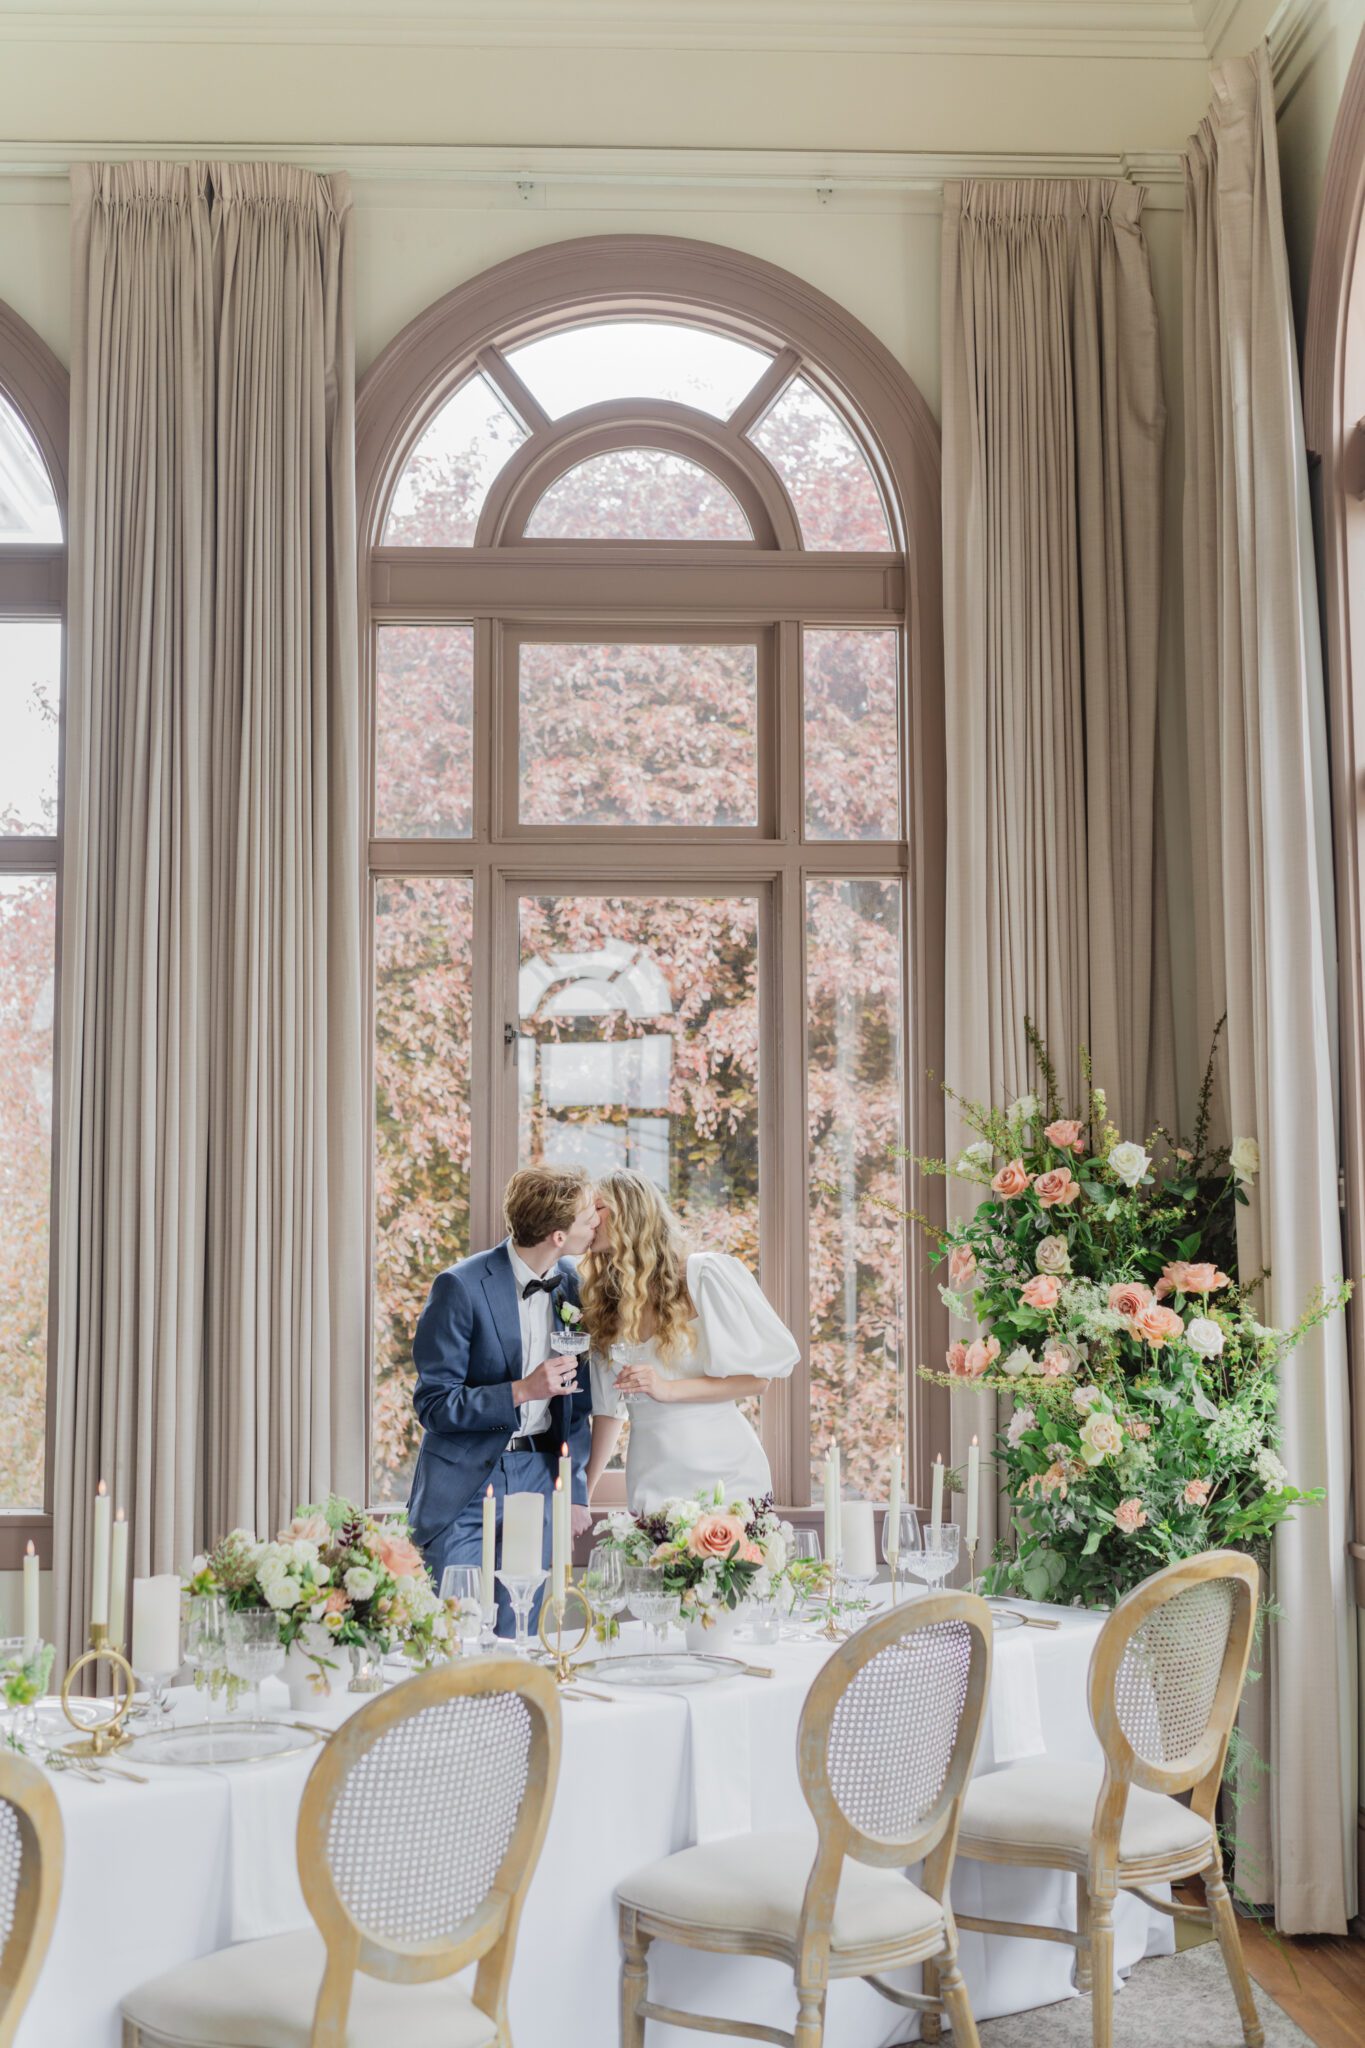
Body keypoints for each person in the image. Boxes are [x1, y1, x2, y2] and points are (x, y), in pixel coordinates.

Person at [407, 1165, 598, 1635]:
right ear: (557, 1234)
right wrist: (520, 1391)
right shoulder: (459, 1286)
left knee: (521, 1630)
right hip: (466, 1484)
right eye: (588, 1215)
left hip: (536, 1477)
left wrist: (573, 1492)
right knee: (453, 1632)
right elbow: (434, 1405)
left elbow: (578, 1406)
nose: (597, 1221)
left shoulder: (571, 1284)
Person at [580, 1169, 799, 1514]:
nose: (587, 1219)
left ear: (629, 1213)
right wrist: (583, 1496)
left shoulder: (703, 1275)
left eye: (597, 1208)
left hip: (725, 1475)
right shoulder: (606, 1300)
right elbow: (609, 1410)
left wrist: (666, 1389)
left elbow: (758, 1380)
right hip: (651, 1477)